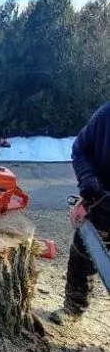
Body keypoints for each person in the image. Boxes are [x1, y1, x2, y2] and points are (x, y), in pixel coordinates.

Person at [50, 101, 110, 324]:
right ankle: (74, 306)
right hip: (103, 197)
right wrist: (88, 181)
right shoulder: (106, 116)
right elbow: (81, 149)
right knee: (83, 252)